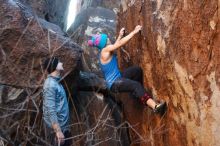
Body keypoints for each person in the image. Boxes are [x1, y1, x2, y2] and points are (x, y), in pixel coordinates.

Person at [88, 25, 167, 115]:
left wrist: (120, 35)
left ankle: (138, 94)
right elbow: (119, 44)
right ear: (104, 42)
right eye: (106, 39)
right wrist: (134, 31)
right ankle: (155, 107)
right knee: (135, 85)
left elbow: (115, 45)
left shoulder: (105, 50)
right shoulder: (105, 51)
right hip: (114, 84)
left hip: (118, 77)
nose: (109, 38)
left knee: (137, 70)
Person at [42, 57, 72, 146]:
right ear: (54, 66)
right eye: (59, 62)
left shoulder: (56, 82)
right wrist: (58, 131)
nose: (61, 63)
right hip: (56, 131)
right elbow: (51, 109)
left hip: (63, 127)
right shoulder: (50, 85)